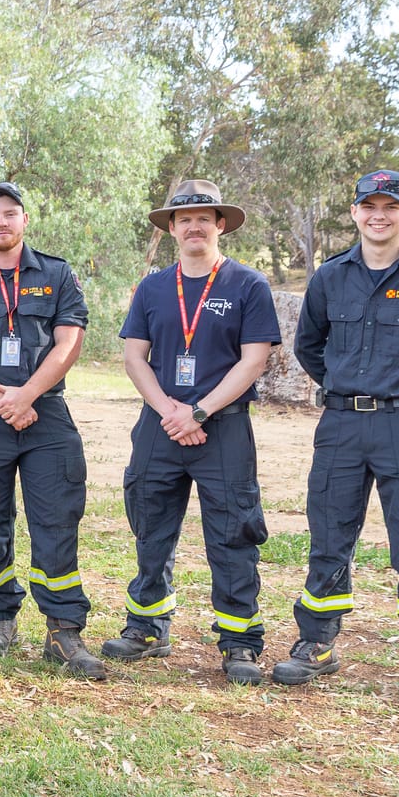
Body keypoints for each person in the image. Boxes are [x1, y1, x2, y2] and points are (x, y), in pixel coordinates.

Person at [279, 169, 399, 704]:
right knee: (329, 538)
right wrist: (347, 387)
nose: (379, 216)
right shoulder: (329, 277)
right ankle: (317, 645)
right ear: (355, 212)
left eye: (390, 206)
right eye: (369, 206)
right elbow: (308, 346)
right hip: (341, 425)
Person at [106, 180, 280, 685]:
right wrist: (170, 411)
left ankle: (240, 641)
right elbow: (134, 357)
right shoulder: (153, 288)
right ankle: (147, 627)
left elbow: (254, 360)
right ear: (172, 229)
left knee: (234, 533)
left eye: (204, 217)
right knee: (151, 526)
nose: (195, 226)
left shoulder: (248, 285)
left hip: (222, 426)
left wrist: (199, 412)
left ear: (220, 224)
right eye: (184, 219)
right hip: (160, 424)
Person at [0, 182, 104, 679]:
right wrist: (4, 399)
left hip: (45, 413)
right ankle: (0, 618)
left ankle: (63, 629)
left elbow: (68, 342)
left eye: (10, 213)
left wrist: (26, 395)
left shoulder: (56, 274)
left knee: (57, 518)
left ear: (24, 220)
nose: (1, 222)